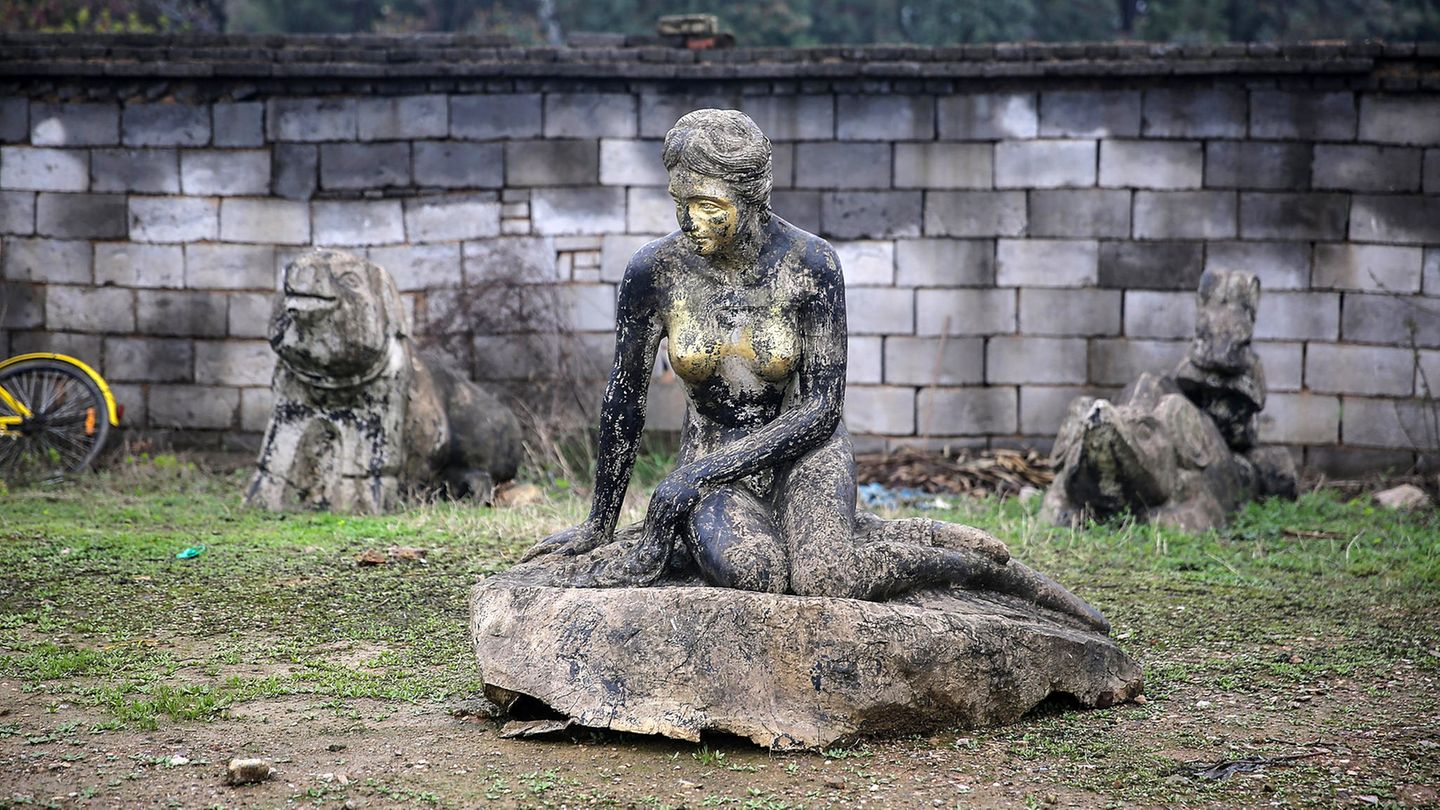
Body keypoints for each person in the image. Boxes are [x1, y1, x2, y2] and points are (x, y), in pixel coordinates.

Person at [521, 109, 1106, 630]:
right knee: (755, 573)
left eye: (709, 208)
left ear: (752, 199)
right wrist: (600, 524)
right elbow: (624, 401)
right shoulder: (655, 270)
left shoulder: (810, 264)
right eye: (680, 203)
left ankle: (958, 561)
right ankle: (848, 531)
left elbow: (823, 408)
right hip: (714, 452)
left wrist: (691, 479)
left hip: (804, 447)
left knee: (827, 577)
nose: (690, 221)